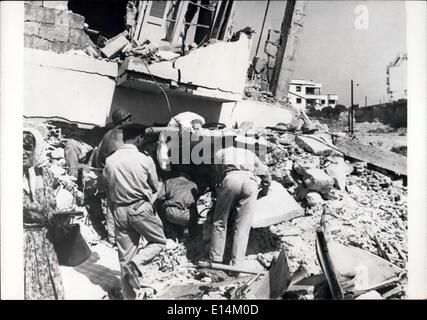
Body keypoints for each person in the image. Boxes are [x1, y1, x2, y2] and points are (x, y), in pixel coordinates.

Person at [103, 123, 176, 299]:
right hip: (139, 208)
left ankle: (130, 296)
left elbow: (106, 187)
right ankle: (136, 263)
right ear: (139, 138)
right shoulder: (145, 159)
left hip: (119, 210)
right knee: (158, 241)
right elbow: (154, 185)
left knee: (124, 259)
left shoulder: (110, 160)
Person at [209, 140, 271, 268]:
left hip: (231, 178)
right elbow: (265, 175)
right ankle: (237, 264)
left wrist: (219, 190)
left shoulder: (221, 152)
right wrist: (264, 192)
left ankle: (216, 260)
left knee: (220, 222)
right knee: (243, 227)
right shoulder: (250, 154)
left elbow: (217, 174)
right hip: (250, 181)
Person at [23, 127, 65, 300]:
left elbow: (50, 209)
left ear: (36, 149)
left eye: (27, 147)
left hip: (44, 242)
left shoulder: (45, 175)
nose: (22, 153)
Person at [91, 108, 133, 245]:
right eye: (129, 119)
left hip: (108, 173)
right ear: (125, 120)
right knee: (124, 205)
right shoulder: (123, 133)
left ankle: (111, 237)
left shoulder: (107, 135)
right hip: (120, 174)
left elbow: (97, 157)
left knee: (110, 206)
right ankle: (124, 238)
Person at [156, 173, 199, 238]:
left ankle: (170, 232)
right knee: (194, 209)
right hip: (188, 216)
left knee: (160, 205)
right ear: (188, 177)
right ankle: (190, 233)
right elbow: (196, 200)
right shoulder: (194, 184)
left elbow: (160, 197)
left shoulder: (169, 181)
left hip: (171, 214)